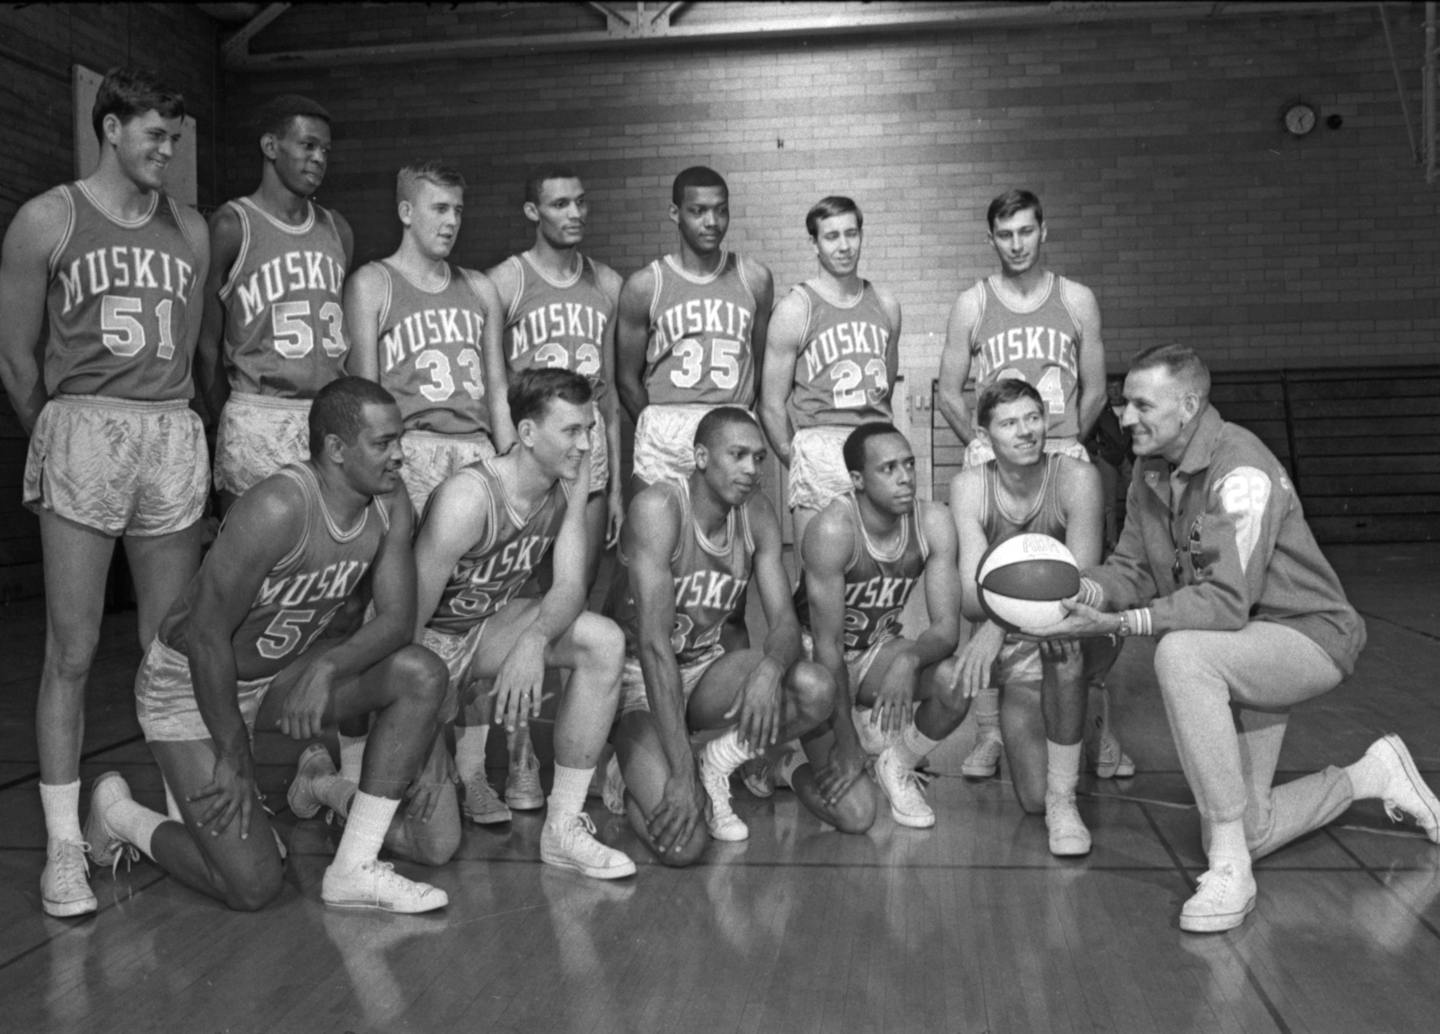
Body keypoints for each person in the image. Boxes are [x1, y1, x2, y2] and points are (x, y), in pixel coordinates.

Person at [1026, 344, 1439, 932]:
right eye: (1123, 402)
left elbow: (1224, 601)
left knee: (1183, 654)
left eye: (1143, 404)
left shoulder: (1240, 469)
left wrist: (1119, 624)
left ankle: (1229, 870)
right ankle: (1371, 776)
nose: (1124, 417)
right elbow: (1132, 568)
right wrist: (1082, 593)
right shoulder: (1149, 468)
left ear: (1189, 405)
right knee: (1251, 825)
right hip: (1239, 644)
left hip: (1305, 637)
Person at [83, 377, 453, 914]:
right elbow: (207, 638)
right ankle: (120, 815)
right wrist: (236, 755)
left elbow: (397, 621)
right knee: (253, 886)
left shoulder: (391, 504)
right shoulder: (278, 509)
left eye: (400, 440)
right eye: (384, 443)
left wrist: (327, 665)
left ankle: (354, 868)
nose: (400, 456)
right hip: (189, 687)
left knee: (421, 673)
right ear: (335, 449)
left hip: (277, 677)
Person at [0, 67, 210, 917]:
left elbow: (192, 349)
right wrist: (59, 437)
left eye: (176, 137)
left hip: (168, 429)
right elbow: (17, 359)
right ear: (112, 128)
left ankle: (163, 815)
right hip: (83, 427)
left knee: (170, 652)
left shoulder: (190, 230)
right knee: (72, 649)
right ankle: (62, 845)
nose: (168, 150)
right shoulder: (47, 219)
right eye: (155, 135)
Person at [410, 367, 635, 880]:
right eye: (571, 431)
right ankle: (340, 791)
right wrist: (427, 733)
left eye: (589, 429)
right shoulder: (469, 499)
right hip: (424, 647)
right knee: (437, 844)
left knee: (603, 641)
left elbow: (571, 586)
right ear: (528, 434)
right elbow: (405, 626)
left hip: (487, 630)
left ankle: (563, 830)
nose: (584, 444)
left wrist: (533, 641)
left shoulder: (570, 480)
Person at [934, 187, 1125, 781]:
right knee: (985, 588)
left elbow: (1094, 387)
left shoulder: (1076, 299)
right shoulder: (973, 303)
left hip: (1058, 448)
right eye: (1004, 233)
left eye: (1025, 230)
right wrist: (985, 440)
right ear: (991, 239)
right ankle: (990, 733)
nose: (1016, 243)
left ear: (1044, 230)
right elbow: (947, 388)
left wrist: (1066, 438)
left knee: (1079, 586)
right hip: (996, 454)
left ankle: (1096, 726)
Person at [608, 407, 836, 864]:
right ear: (701, 456)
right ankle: (629, 771)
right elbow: (654, 649)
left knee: (814, 687)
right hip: (638, 683)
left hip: (703, 669)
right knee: (685, 847)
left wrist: (770, 669)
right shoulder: (658, 508)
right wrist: (678, 775)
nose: (752, 469)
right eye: (737, 455)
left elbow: (786, 622)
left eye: (758, 458)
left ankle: (714, 761)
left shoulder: (757, 515)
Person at [476, 168, 623, 819]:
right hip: (533, 459)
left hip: (588, 458)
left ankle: (566, 754)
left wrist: (610, 483)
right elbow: (493, 379)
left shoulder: (608, 284)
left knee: (568, 609)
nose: (574, 211)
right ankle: (519, 759)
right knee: (516, 608)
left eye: (580, 200)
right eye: (560, 202)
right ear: (533, 208)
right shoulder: (506, 280)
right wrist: (515, 458)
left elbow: (611, 392)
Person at [949, 379, 1104, 856]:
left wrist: (997, 625)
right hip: (1022, 647)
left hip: (1077, 630)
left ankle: (1067, 798)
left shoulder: (1077, 476)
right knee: (1030, 799)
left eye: (1033, 418)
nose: (1025, 431)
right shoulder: (970, 486)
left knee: (1066, 648)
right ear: (983, 435)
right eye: (1008, 422)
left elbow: (1078, 589)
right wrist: (996, 619)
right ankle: (1074, 740)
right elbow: (972, 599)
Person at [786, 423, 963, 830]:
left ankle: (895, 764)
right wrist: (847, 743)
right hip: (817, 663)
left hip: (875, 651)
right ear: (857, 480)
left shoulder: (933, 521)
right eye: (888, 469)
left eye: (908, 464)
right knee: (858, 816)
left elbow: (947, 629)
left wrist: (909, 661)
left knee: (955, 681)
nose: (905, 477)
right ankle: (785, 765)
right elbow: (828, 646)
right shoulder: (833, 529)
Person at [199, 94, 353, 513]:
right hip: (258, 411)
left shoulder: (337, 229)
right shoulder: (232, 225)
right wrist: (226, 418)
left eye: (325, 149)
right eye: (307, 145)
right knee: (253, 560)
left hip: (324, 415)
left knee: (320, 561)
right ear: (270, 147)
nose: (318, 158)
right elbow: (206, 342)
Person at [345, 159, 511, 514]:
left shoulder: (480, 288)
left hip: (476, 447)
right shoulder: (373, 284)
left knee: (478, 568)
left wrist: (512, 461)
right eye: (439, 209)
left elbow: (498, 390)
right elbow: (366, 397)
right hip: (410, 450)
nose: (451, 222)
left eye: (457, 210)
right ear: (406, 212)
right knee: (411, 566)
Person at [615, 166, 774, 491]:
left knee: (731, 538)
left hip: (730, 418)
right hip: (666, 422)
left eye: (720, 210)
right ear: (675, 213)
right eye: (698, 211)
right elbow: (626, 377)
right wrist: (655, 424)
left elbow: (759, 364)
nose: (711, 222)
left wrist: (739, 419)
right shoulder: (646, 285)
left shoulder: (754, 278)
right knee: (658, 533)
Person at [758, 196, 901, 552]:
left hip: (873, 442)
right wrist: (799, 458)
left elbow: (885, 389)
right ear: (814, 243)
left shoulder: (885, 304)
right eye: (832, 236)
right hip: (820, 443)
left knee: (879, 567)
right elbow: (771, 404)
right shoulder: (796, 308)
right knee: (815, 578)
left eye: (851, 234)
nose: (844, 246)